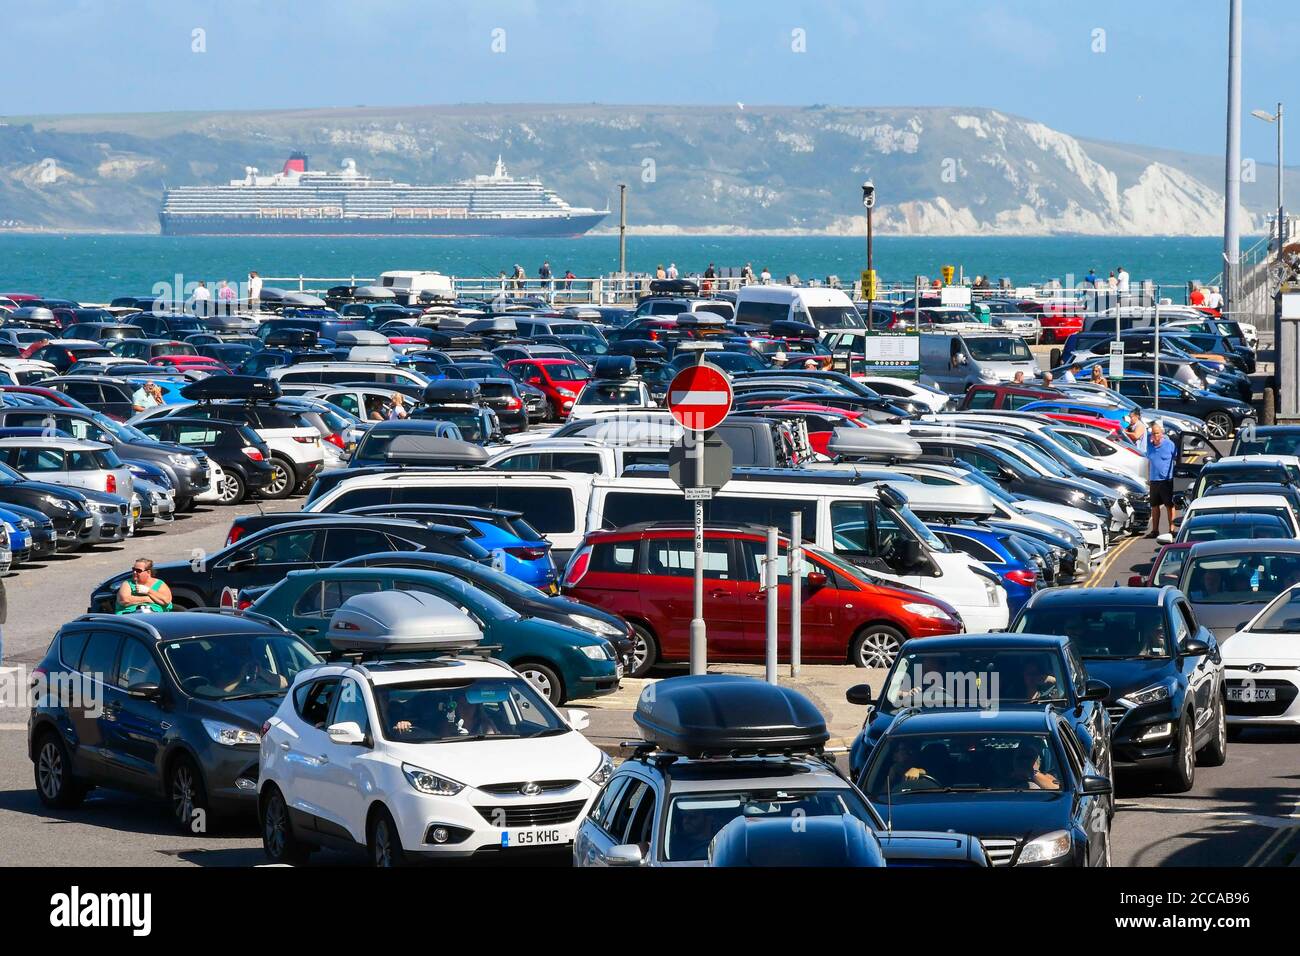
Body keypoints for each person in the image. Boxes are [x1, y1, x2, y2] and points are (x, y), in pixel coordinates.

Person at [1144, 421, 1177, 537]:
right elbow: (1148, 461)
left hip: (1166, 480)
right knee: (1154, 505)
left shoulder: (1170, 445)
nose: (1155, 436)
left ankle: (1172, 529)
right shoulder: (1149, 445)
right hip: (1154, 480)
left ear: (1162, 434)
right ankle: (1155, 530)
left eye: (1157, 433)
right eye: (1153, 434)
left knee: (1169, 505)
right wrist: (1148, 477)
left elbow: (1176, 458)